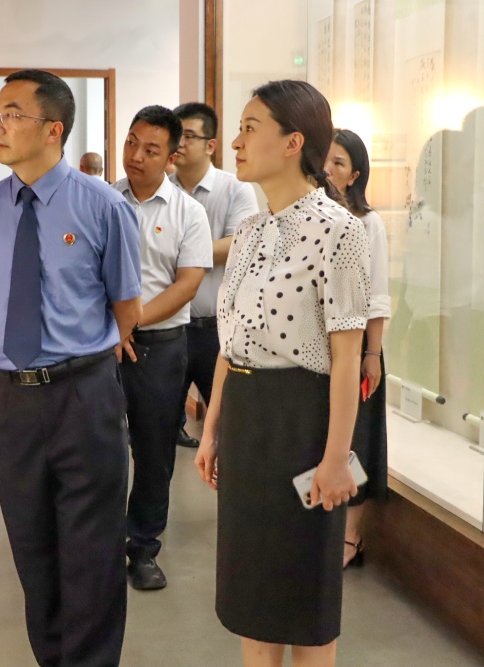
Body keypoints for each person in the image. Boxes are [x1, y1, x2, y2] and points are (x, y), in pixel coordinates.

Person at [0, 69, 142, 667]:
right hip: (9, 397)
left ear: (53, 128)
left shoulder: (103, 206)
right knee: (31, 544)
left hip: (82, 391)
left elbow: (127, 308)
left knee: (92, 548)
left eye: (13, 113)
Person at [195, 80, 371, 667]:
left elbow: (346, 357)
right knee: (251, 589)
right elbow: (230, 343)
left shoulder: (340, 231)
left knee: (304, 593)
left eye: (249, 129)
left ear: (294, 142)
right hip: (246, 419)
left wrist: (336, 457)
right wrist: (213, 427)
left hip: (302, 422)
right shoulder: (248, 232)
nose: (236, 143)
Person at [114, 105, 212, 590]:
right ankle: (99, 543)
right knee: (97, 450)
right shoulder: (102, 201)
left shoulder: (188, 213)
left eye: (151, 149)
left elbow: (187, 284)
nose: (136, 155)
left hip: (160, 347)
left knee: (154, 454)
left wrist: (128, 324)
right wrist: (111, 332)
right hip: (102, 346)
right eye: (131, 142)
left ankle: (143, 548)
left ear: (171, 158)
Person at [171, 102, 259, 448]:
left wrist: (181, 254)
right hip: (170, 329)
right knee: (161, 427)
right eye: (176, 135)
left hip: (217, 330)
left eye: (188, 136)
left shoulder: (235, 188)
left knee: (229, 425)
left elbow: (240, 243)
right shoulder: (163, 190)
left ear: (210, 145)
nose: (179, 143)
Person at [325, 129, 390, 569]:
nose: (329, 170)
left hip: (360, 347)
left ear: (355, 176)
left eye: (339, 163)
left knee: (358, 439)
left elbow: (378, 294)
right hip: (323, 347)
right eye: (325, 160)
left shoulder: (369, 223)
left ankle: (352, 536)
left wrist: (372, 354)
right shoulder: (313, 216)